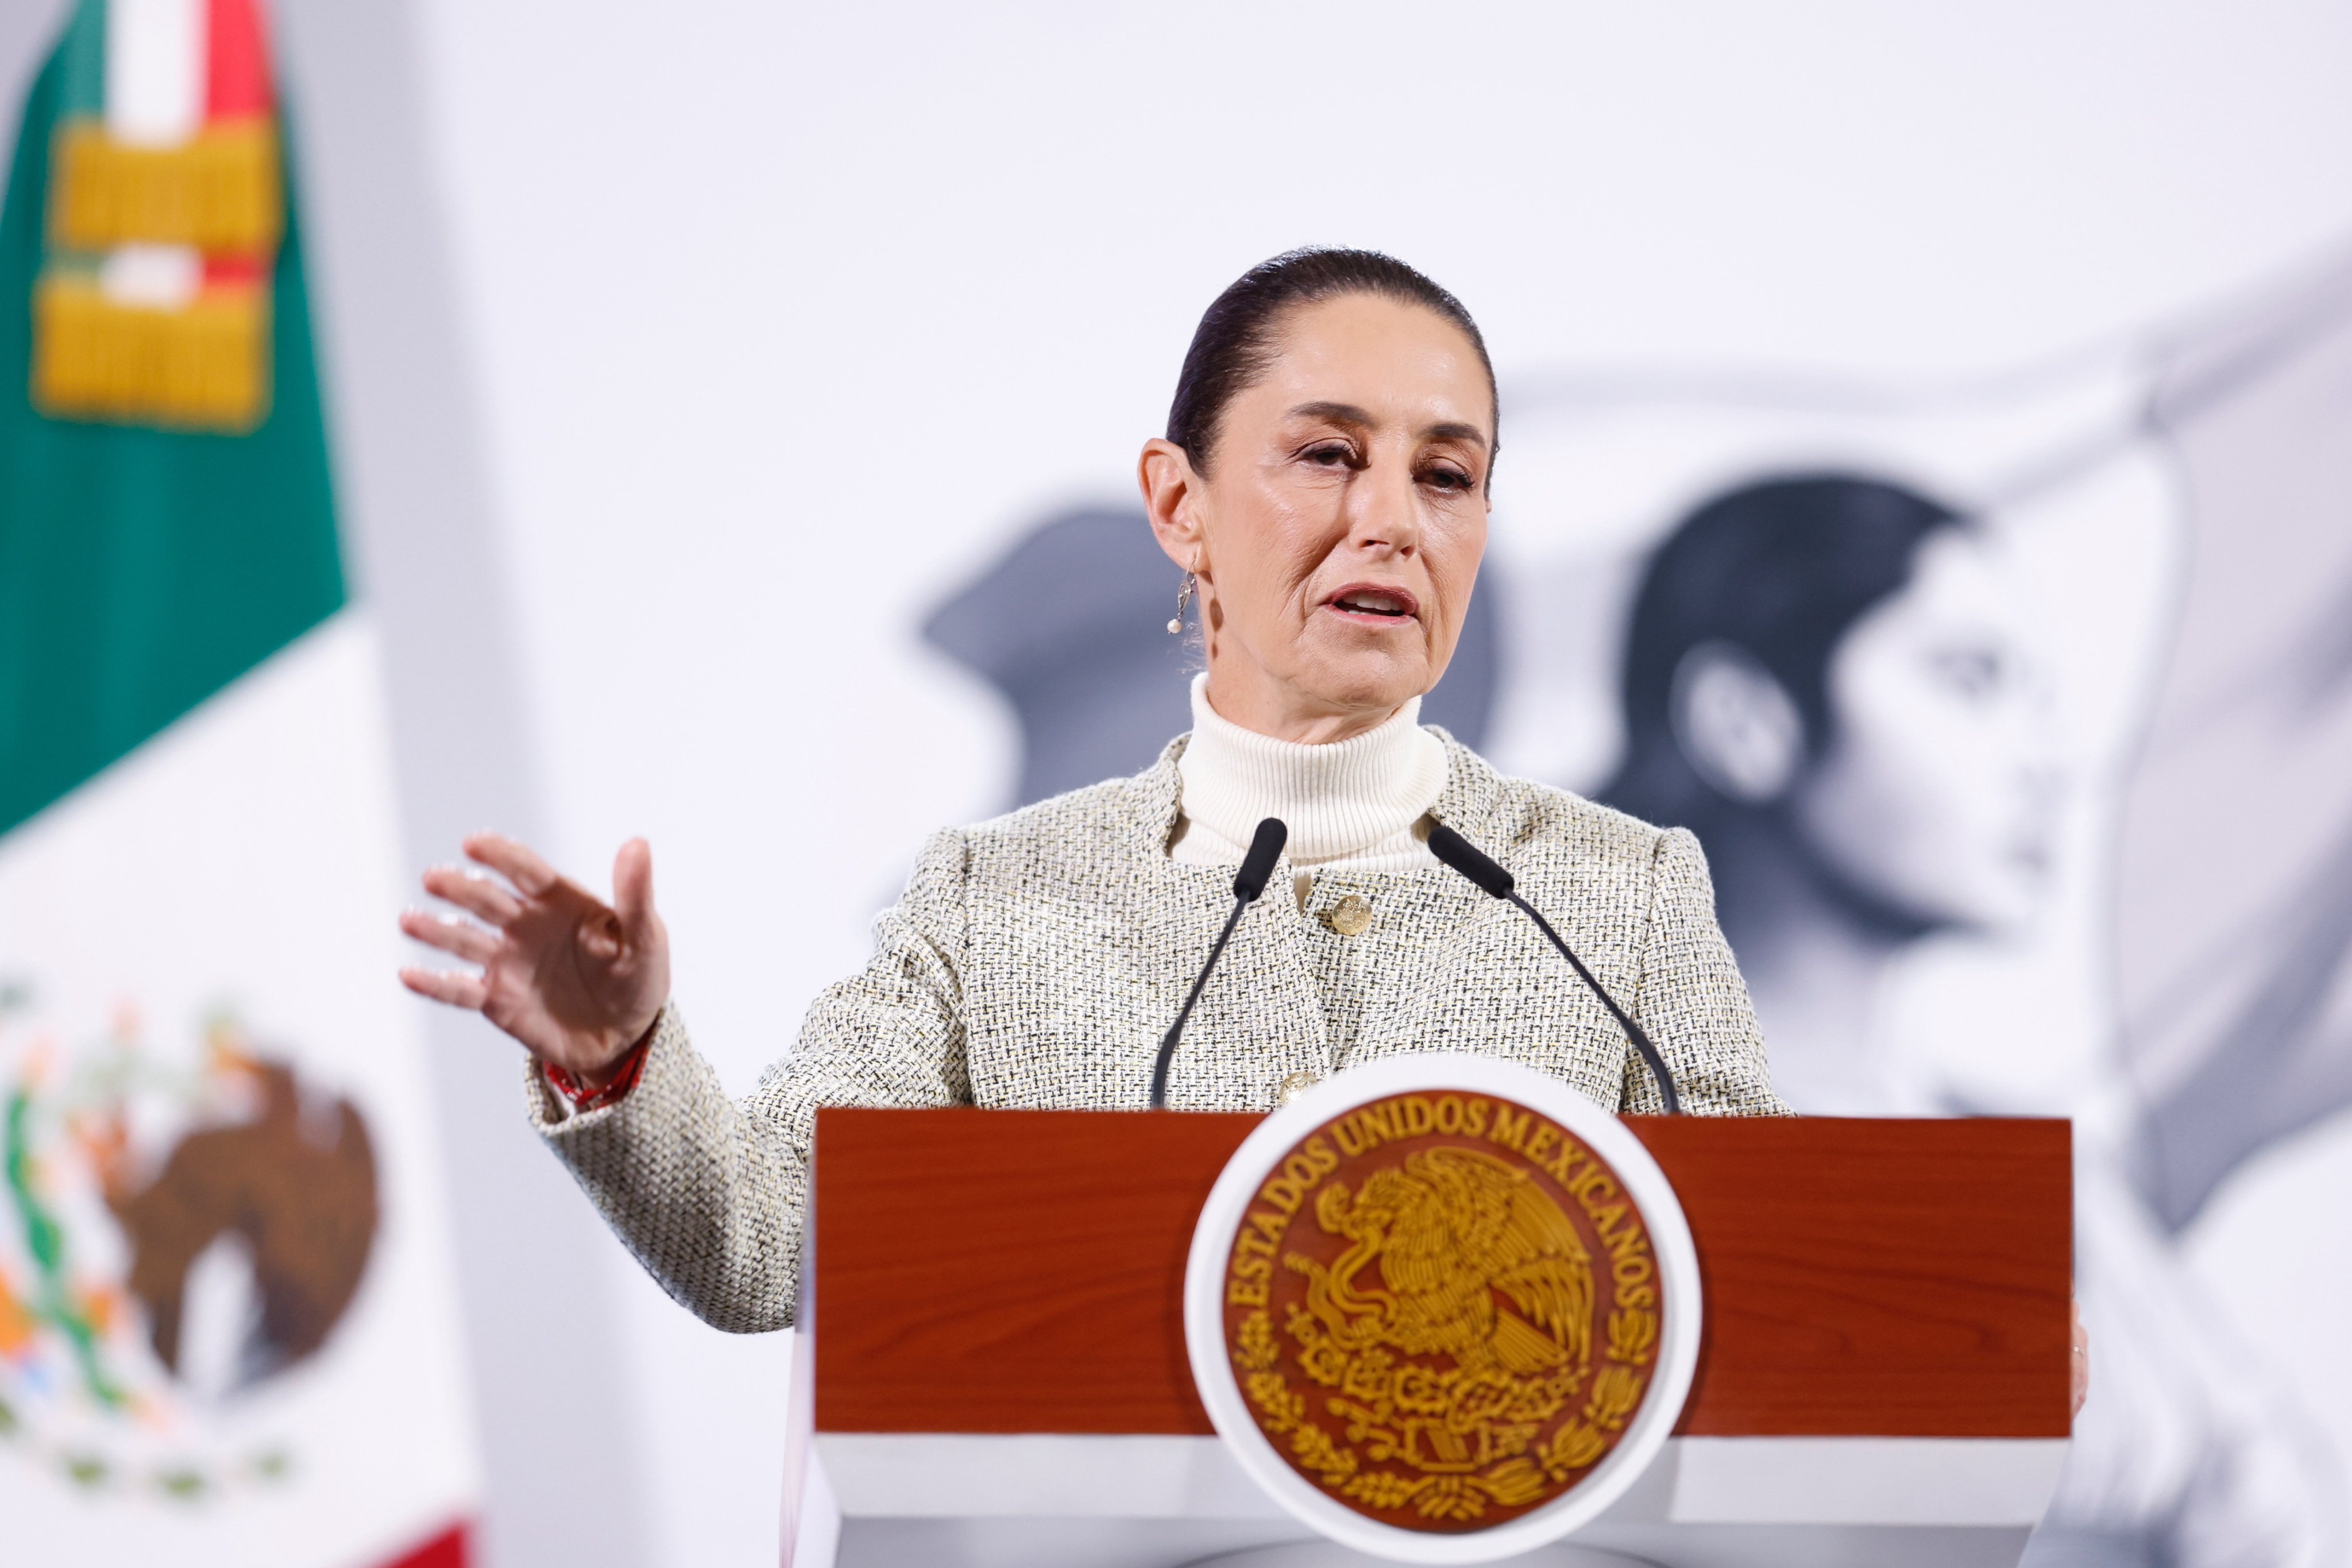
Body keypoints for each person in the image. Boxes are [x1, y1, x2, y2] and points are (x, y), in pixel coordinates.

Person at [395, 248, 1791, 1339]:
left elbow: (1773, 1291)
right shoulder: (992, 903)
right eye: (1325, 455)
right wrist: (619, 1055)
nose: (1390, 519)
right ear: (1177, 505)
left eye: (1446, 474)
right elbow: (761, 1251)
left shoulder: (1618, 893)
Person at [1601, 473, 2294, 1566]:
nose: (2045, 761)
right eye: (1968, 682)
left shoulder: (2042, 1163)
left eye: (2036, 696)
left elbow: (2265, 1503)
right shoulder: (1572, 1144)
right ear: (1745, 719)